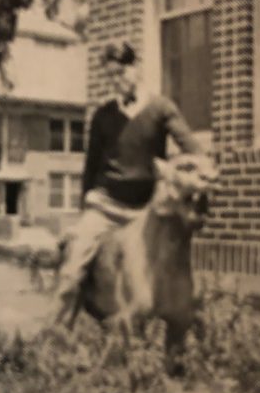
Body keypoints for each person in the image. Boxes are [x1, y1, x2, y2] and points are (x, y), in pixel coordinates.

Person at [54, 41, 206, 321]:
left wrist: (180, 173)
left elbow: (193, 150)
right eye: (110, 75)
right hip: (106, 208)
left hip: (146, 210)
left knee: (174, 274)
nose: (117, 81)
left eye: (121, 72)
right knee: (73, 268)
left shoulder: (161, 109)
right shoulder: (103, 116)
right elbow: (91, 167)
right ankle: (55, 340)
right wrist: (84, 208)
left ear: (135, 68)